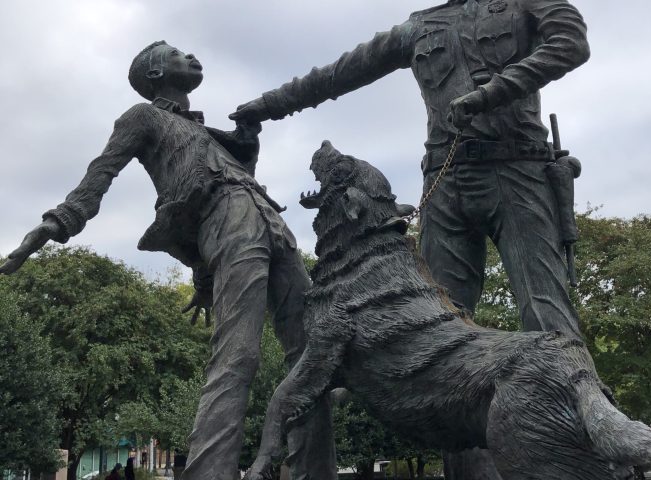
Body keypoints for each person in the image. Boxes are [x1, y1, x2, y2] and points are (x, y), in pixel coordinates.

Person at [231, 1, 589, 478]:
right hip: (444, 182)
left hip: (518, 171)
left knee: (549, 317)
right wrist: (267, 106)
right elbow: (339, 73)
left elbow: (571, 44)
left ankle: (583, 454)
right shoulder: (420, 26)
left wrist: (492, 94)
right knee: (436, 343)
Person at [0, 41, 335, 480]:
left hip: (269, 220)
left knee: (315, 348)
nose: (192, 56)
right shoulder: (142, 118)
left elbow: (235, 173)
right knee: (239, 353)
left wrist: (247, 146)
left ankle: (314, 470)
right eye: (177, 54)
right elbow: (100, 174)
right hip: (229, 217)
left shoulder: (208, 131)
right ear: (155, 74)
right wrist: (56, 224)